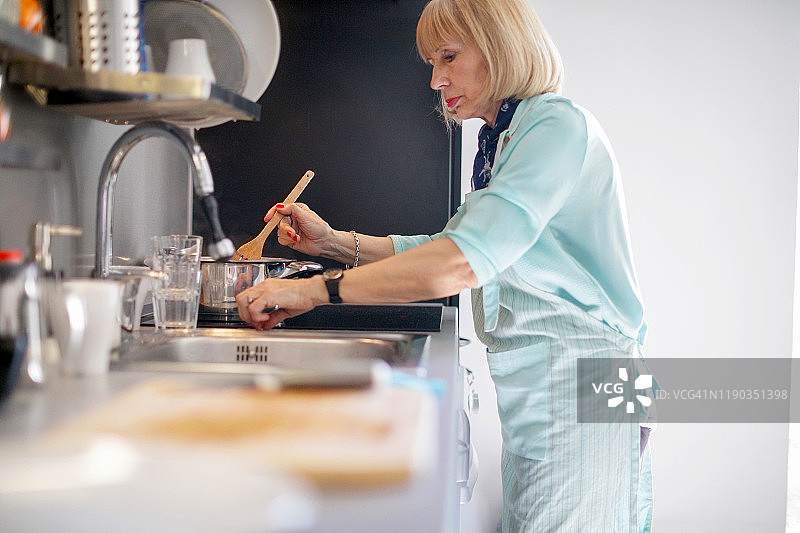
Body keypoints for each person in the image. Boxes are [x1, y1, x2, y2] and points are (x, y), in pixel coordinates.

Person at [236, 0, 654, 531]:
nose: (436, 79)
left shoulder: (555, 126)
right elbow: (449, 244)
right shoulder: (506, 138)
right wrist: (334, 244)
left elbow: (458, 262)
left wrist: (318, 291)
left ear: (500, 45)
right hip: (550, 387)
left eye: (449, 57)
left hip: (586, 382)